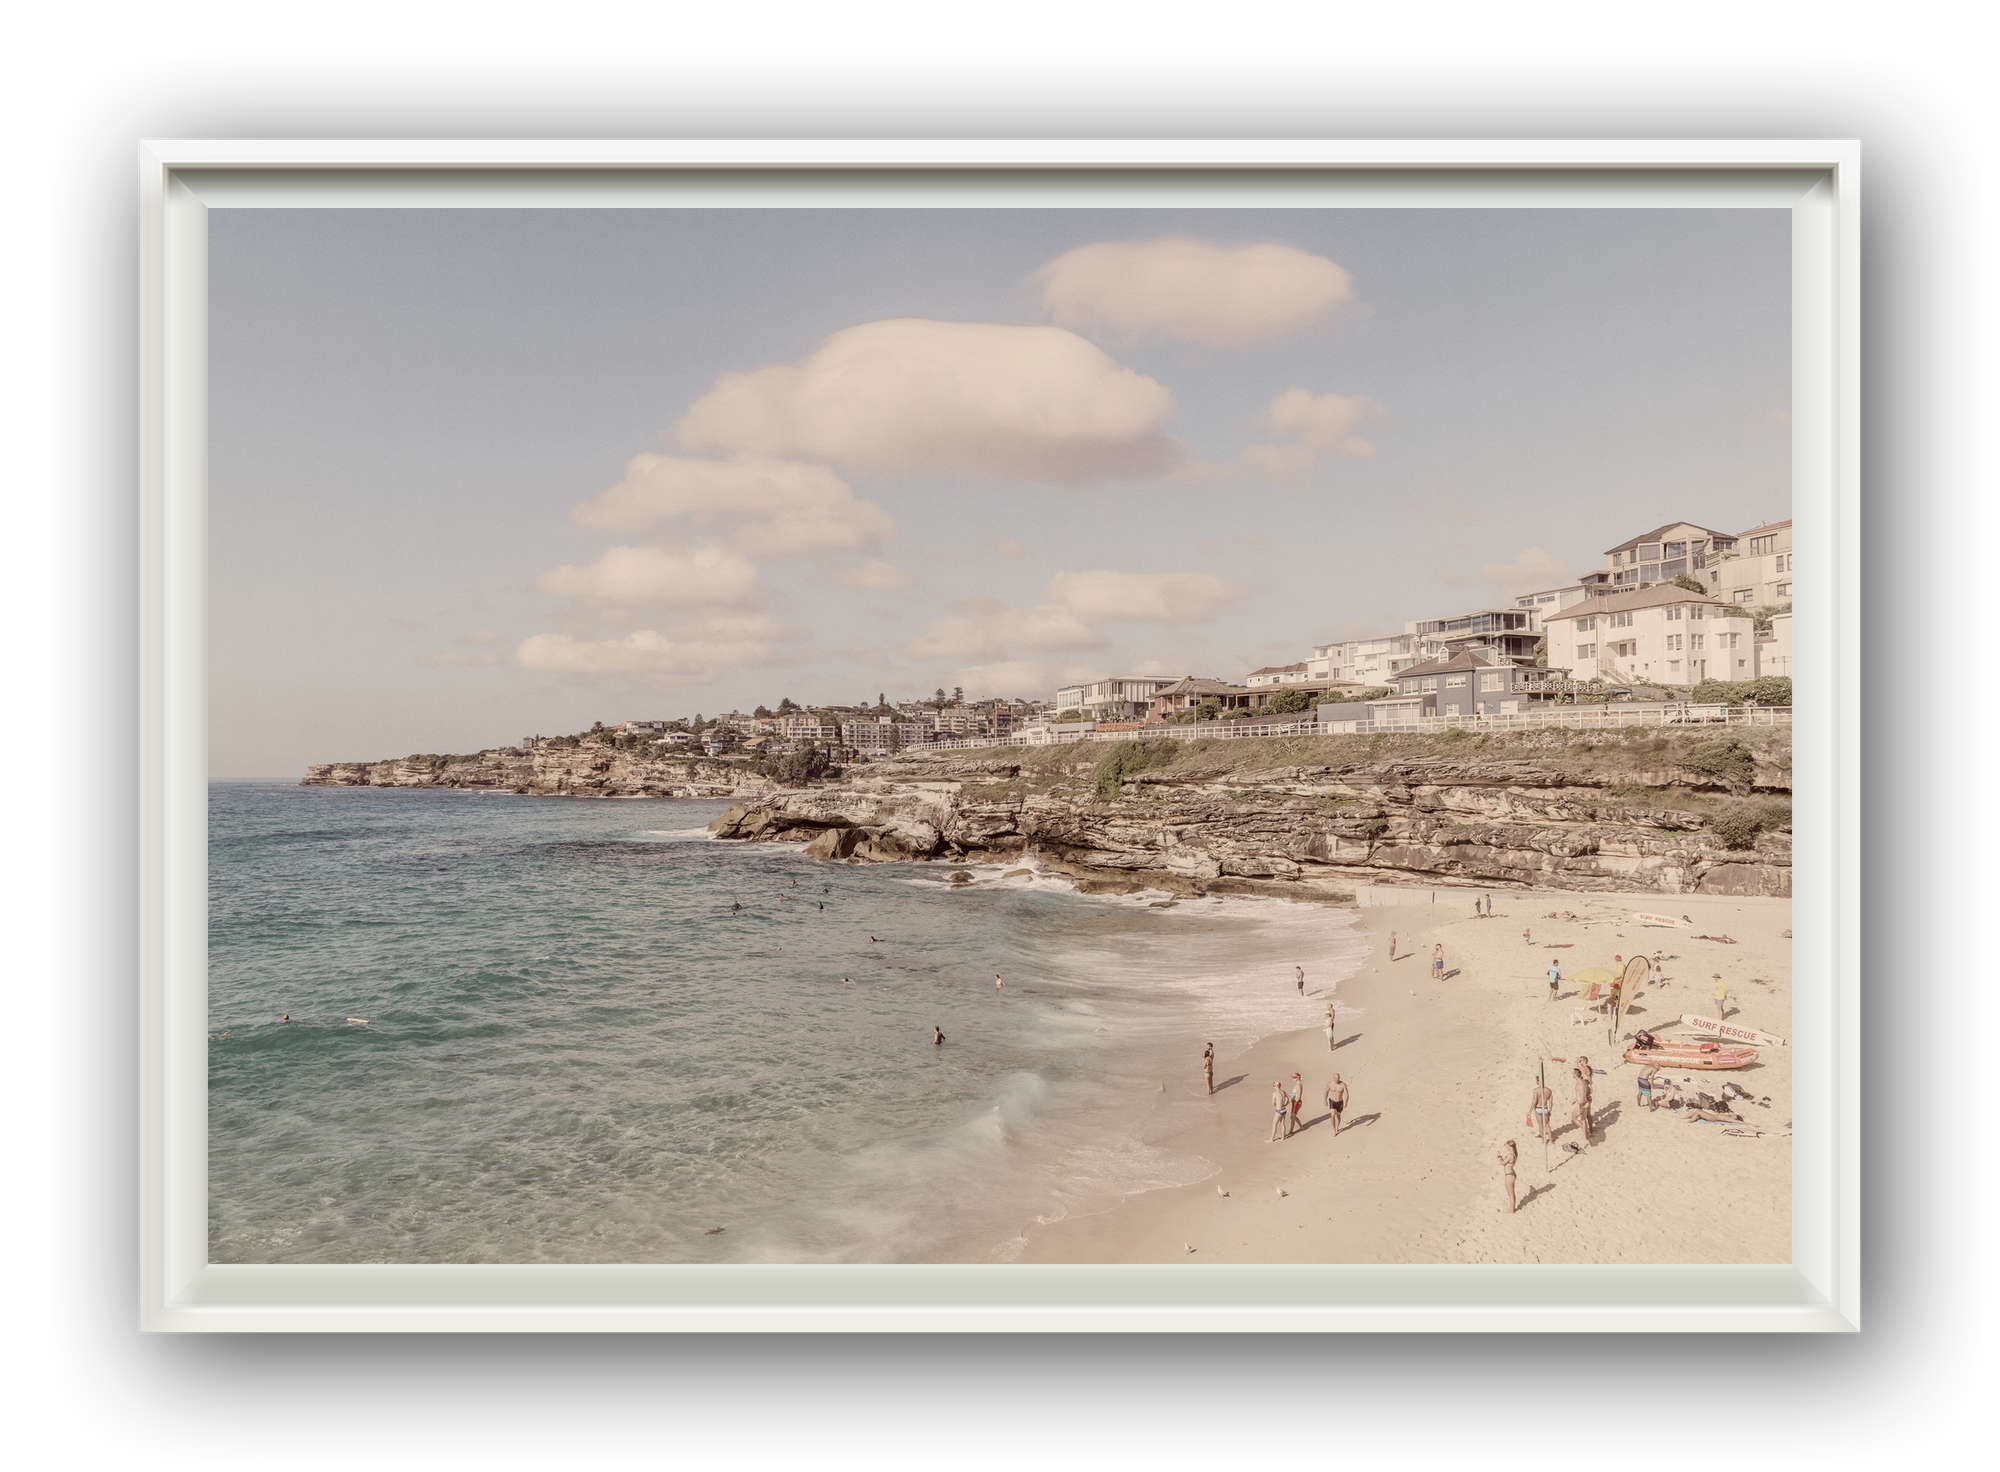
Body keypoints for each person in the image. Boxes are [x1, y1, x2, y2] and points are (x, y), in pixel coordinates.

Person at [1572, 1057, 1595, 1146]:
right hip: (1587, 1096)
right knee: (1588, 1115)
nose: (1580, 1063)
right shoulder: (1584, 1071)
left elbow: (1587, 1077)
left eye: (1582, 1061)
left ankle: (1588, 1131)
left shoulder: (1587, 1071)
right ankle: (1591, 1130)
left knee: (1585, 1116)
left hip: (1586, 1097)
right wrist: (1578, 1061)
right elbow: (1576, 1068)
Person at [1499, 1140, 1519, 1213]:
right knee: (1511, 1193)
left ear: (1510, 1147)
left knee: (1511, 1193)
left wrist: (1499, 1156)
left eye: (1507, 1146)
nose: (1506, 1147)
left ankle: (1512, 1210)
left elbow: (1502, 1163)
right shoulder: (1514, 1154)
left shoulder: (1510, 1155)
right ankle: (1512, 1208)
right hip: (1511, 1174)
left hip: (1509, 1175)